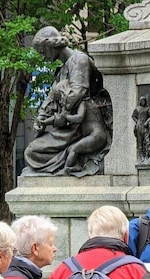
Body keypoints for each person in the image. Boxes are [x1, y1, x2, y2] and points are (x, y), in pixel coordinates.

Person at [24, 26, 111, 176]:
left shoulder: (79, 60)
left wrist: (56, 115)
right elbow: (52, 97)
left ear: (52, 45)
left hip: (81, 126)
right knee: (31, 151)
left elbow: (77, 93)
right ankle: (67, 160)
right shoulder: (62, 68)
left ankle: (71, 161)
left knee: (33, 153)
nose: (43, 57)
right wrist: (41, 118)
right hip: (68, 128)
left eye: (43, 52)